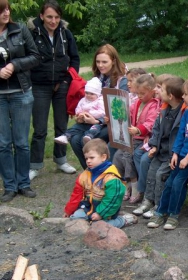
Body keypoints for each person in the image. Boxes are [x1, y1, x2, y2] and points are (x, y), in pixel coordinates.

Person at [147, 76, 188, 230]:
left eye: (185, 94)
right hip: (182, 155)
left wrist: (187, 157)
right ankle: (160, 212)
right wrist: (176, 154)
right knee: (169, 182)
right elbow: (181, 134)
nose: (182, 97)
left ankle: (173, 215)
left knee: (178, 183)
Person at [28, 0, 80, 180]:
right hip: (39, 86)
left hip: (62, 86)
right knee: (40, 128)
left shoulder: (65, 34)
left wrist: (67, 80)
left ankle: (61, 159)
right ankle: (35, 165)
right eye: (49, 16)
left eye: (57, 17)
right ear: (41, 16)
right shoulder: (32, 33)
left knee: (61, 126)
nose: (53, 21)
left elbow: (74, 59)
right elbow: (26, 59)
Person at [0, 0, 40, 202]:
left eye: (7, 9)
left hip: (21, 93)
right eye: (1, 10)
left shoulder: (20, 30)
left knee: (22, 142)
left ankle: (24, 183)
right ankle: (9, 186)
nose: (6, 13)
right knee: (3, 143)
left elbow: (35, 56)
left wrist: (15, 65)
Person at [133, 76, 186, 217]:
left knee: (160, 176)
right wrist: (154, 145)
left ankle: (158, 204)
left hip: (172, 154)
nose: (158, 91)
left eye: (161, 89)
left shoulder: (183, 113)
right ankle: (148, 201)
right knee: (151, 173)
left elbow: (182, 136)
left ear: (170, 96)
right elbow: (156, 129)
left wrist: (174, 152)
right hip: (160, 150)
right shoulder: (164, 109)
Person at [69, 44, 129, 169]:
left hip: (113, 123)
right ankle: (91, 171)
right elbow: (88, 101)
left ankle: (103, 173)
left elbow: (122, 110)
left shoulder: (122, 80)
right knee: (74, 140)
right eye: (98, 62)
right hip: (93, 119)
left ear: (113, 61)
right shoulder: (97, 78)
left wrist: (97, 120)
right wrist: (82, 114)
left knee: (86, 141)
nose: (100, 65)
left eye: (104, 62)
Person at [63, 139, 137, 228]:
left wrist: (100, 214)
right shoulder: (85, 175)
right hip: (89, 207)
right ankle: (90, 219)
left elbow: (112, 200)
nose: (88, 161)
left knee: (99, 226)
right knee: (75, 218)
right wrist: (69, 210)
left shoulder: (111, 178)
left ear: (103, 157)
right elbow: (76, 195)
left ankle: (123, 220)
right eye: (86, 158)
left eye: (92, 158)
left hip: (107, 210)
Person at [124, 73, 160, 204]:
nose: (139, 96)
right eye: (137, 93)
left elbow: (151, 122)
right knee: (121, 156)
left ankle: (141, 187)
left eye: (142, 93)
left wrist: (139, 130)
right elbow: (129, 111)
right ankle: (131, 184)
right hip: (136, 137)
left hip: (143, 138)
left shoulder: (154, 105)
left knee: (136, 155)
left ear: (152, 91)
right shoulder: (138, 102)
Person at [54, 77, 105, 145]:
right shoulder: (83, 100)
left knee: (95, 129)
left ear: (97, 94)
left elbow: (102, 112)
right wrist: (79, 114)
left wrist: (89, 113)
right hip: (83, 121)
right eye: (87, 93)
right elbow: (78, 108)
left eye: (92, 94)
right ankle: (66, 136)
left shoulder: (100, 101)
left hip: (95, 122)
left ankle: (88, 136)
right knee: (75, 127)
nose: (89, 95)